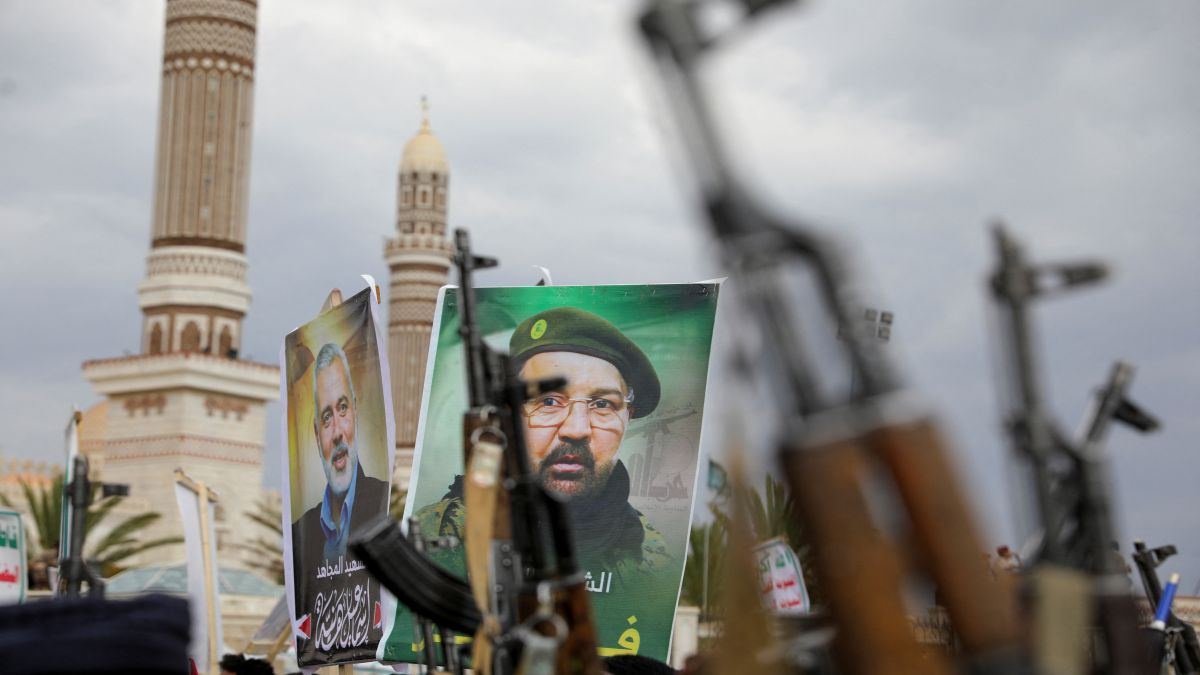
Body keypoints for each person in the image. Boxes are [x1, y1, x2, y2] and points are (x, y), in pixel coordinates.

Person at [417, 307, 670, 572]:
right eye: (549, 401)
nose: (577, 429)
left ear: (627, 417)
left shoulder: (651, 555)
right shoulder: (436, 533)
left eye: (602, 404)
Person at [289, 342, 389, 656]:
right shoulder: (301, 533)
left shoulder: (385, 508)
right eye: (326, 418)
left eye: (342, 409)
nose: (337, 434)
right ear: (317, 435)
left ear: (356, 412)